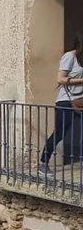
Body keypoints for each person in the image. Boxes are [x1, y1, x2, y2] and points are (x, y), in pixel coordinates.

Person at [39, 37, 83, 172]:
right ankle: (43, 164)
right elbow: (60, 79)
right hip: (66, 101)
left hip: (81, 100)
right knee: (59, 133)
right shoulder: (70, 56)